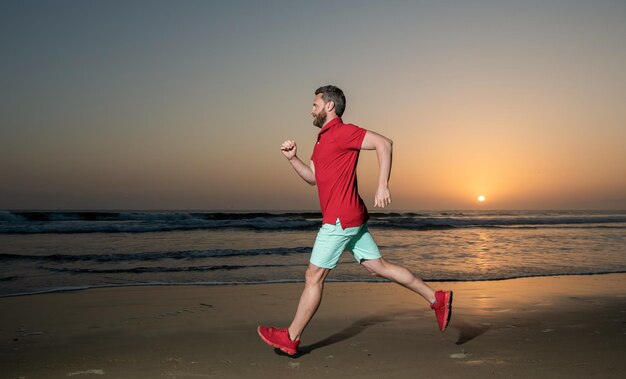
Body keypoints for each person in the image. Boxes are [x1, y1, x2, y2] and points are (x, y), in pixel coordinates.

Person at [257, 85, 452, 356]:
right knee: (378, 267)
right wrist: (293, 159)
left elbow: (384, 143)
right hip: (351, 217)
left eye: (315, 104)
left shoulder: (342, 132)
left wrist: (382, 184)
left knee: (313, 276)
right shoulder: (322, 138)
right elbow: (313, 177)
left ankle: (291, 337)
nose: (310, 109)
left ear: (329, 106)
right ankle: (436, 298)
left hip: (340, 219)